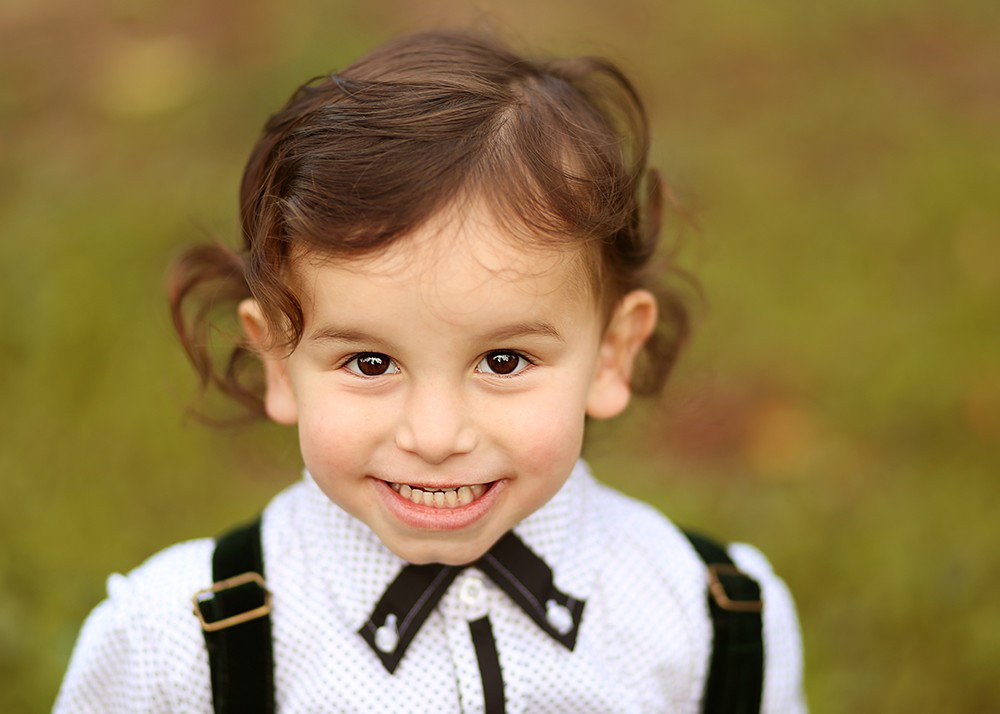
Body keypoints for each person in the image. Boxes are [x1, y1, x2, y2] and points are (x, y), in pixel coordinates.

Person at [55, 29, 806, 713]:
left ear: (612, 355)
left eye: (504, 361)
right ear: (278, 361)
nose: (436, 435)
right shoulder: (177, 640)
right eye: (371, 361)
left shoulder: (709, 617)